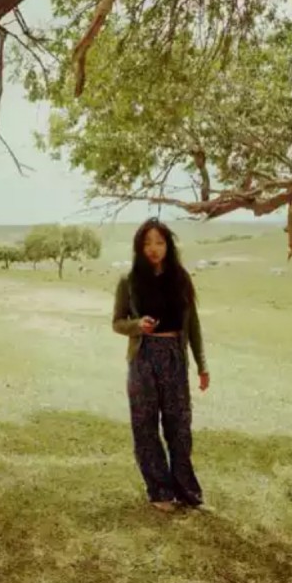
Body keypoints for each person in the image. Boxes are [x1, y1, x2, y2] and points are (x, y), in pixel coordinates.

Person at [112, 217, 210, 512]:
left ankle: (187, 491)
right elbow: (117, 323)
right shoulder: (129, 281)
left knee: (179, 425)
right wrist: (137, 325)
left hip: (174, 356)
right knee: (145, 425)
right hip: (143, 357)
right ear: (139, 248)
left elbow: (193, 326)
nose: (153, 248)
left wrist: (202, 365)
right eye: (147, 243)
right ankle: (159, 491)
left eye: (159, 242)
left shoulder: (181, 279)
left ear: (168, 245)